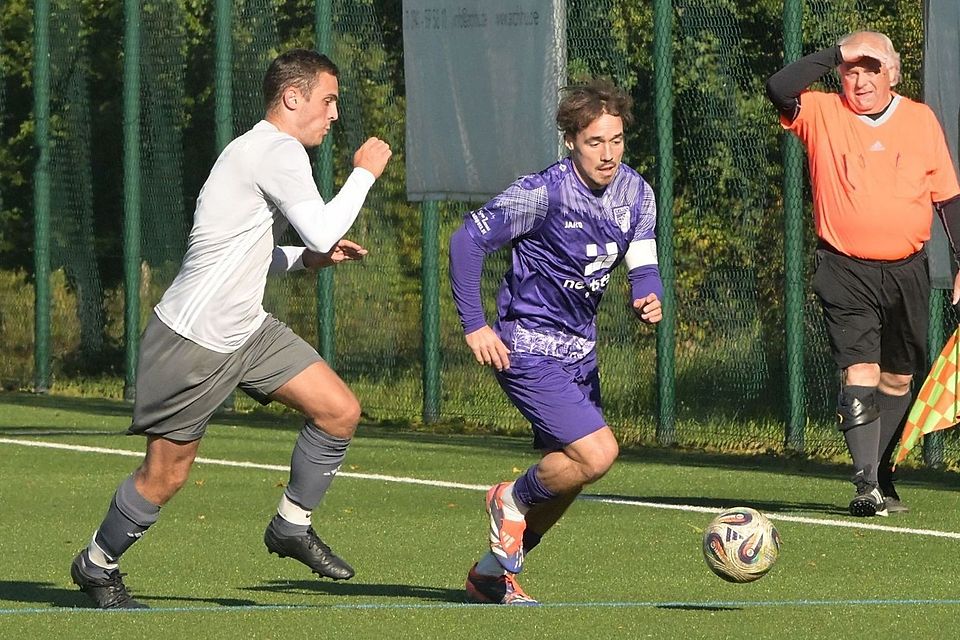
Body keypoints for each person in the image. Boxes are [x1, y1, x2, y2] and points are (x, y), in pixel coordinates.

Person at [70, 49, 392, 608]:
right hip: (192, 342)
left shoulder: (258, 152)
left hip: (248, 331)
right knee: (165, 477)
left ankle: (291, 525)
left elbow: (247, 252)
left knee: (339, 410)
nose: (334, 114)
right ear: (293, 98)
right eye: (328, 100)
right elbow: (319, 230)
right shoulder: (275, 150)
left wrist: (306, 261)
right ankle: (97, 563)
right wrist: (364, 171)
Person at [449, 78, 663, 605]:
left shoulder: (636, 192)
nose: (608, 154)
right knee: (597, 454)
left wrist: (647, 294)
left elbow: (643, 259)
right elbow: (466, 240)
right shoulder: (541, 192)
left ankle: (489, 576)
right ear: (571, 141)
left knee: (570, 477)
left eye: (616, 141)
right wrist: (475, 324)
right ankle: (509, 499)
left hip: (580, 354)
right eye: (595, 142)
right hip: (525, 346)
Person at [766, 31, 960, 517]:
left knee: (897, 379)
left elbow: (948, 199)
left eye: (871, 68)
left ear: (892, 73)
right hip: (844, 267)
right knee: (860, 370)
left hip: (906, 270)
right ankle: (865, 483)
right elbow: (778, 87)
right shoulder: (822, 112)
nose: (860, 79)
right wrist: (835, 54)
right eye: (851, 69)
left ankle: (882, 474)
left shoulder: (919, 120)